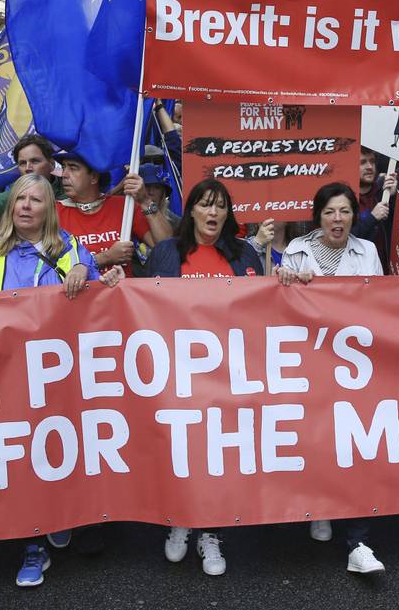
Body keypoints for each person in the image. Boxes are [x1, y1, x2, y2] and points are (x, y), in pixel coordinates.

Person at [0, 173, 122, 586]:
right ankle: (32, 545)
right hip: (7, 375)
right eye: (20, 199)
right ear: (10, 205)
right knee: (23, 459)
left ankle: (61, 515)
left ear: (50, 208)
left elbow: (100, 295)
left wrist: (96, 275)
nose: (26, 206)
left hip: (58, 374)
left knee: (61, 452)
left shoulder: (70, 249)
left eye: (36, 200)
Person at [144, 179, 259, 577]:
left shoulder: (245, 253)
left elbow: (260, 310)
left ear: (228, 214)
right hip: (177, 370)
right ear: (190, 209)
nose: (213, 212)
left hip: (226, 372)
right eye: (206, 204)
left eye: (220, 206)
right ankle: (181, 518)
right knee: (181, 450)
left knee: (217, 454)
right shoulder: (165, 252)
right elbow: (140, 304)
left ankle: (210, 530)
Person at [273, 182, 385, 574]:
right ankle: (319, 506)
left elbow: (382, 303)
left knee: (357, 446)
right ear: (318, 217)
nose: (338, 220)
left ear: (355, 215)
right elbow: (280, 307)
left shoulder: (367, 251)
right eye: (330, 212)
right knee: (318, 440)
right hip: (310, 364)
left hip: (355, 367)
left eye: (345, 211)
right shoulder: (297, 250)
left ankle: (359, 543)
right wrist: (286, 281)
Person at [53, 150, 172, 275]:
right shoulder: (54, 212)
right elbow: (50, 268)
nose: (64, 174)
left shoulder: (125, 206)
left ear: (93, 177)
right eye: (64, 167)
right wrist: (107, 257)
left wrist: (145, 201)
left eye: (73, 168)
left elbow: (167, 247)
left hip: (122, 288)